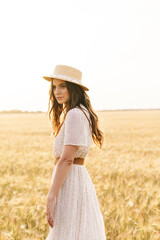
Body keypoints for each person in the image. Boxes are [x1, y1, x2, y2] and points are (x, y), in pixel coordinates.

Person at [43, 65, 106, 240]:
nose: (57, 91)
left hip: (70, 183)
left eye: (62, 86)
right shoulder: (80, 112)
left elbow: (67, 160)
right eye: (54, 87)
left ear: (73, 88)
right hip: (75, 180)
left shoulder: (75, 114)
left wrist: (52, 195)